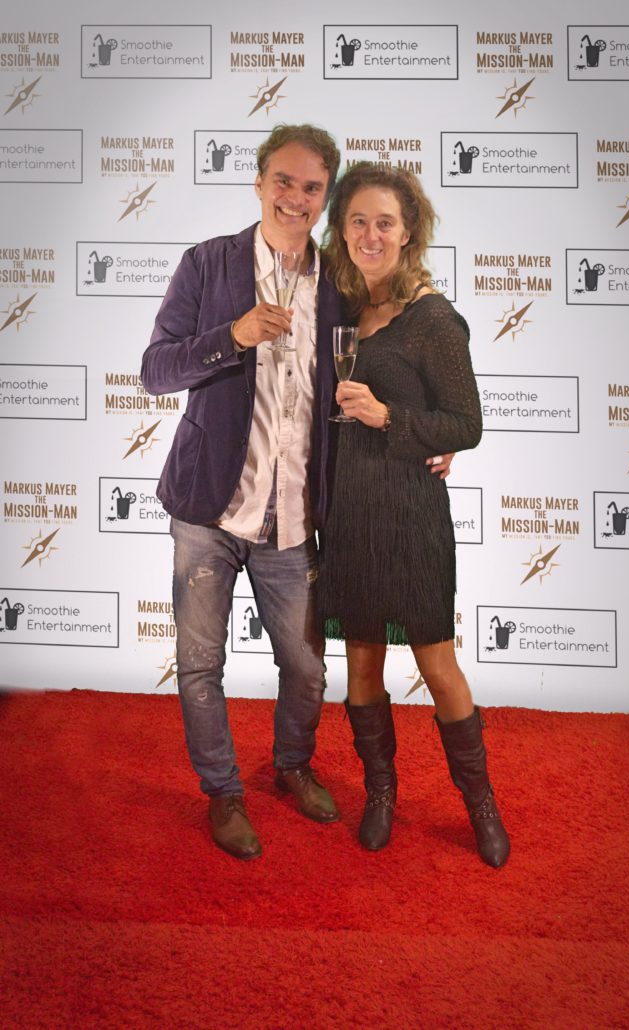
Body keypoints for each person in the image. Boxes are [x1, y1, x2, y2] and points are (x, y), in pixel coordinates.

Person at [140, 124, 349, 861]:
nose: (295, 197)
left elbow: (375, 374)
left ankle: (291, 765)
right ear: (259, 183)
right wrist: (231, 335)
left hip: (292, 516)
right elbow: (155, 370)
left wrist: (423, 433)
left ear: (326, 197)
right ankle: (223, 791)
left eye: (312, 187)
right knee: (201, 664)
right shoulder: (208, 264)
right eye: (283, 181)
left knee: (306, 667)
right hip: (208, 510)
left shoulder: (340, 282)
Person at [318, 163, 510, 868]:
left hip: (410, 515)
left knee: (437, 664)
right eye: (358, 221)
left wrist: (389, 417)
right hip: (349, 513)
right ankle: (380, 793)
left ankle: (480, 803)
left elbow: (466, 424)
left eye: (384, 223)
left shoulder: (433, 319)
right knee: (361, 663)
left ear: (408, 232)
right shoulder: (342, 304)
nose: (370, 235)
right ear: (342, 230)